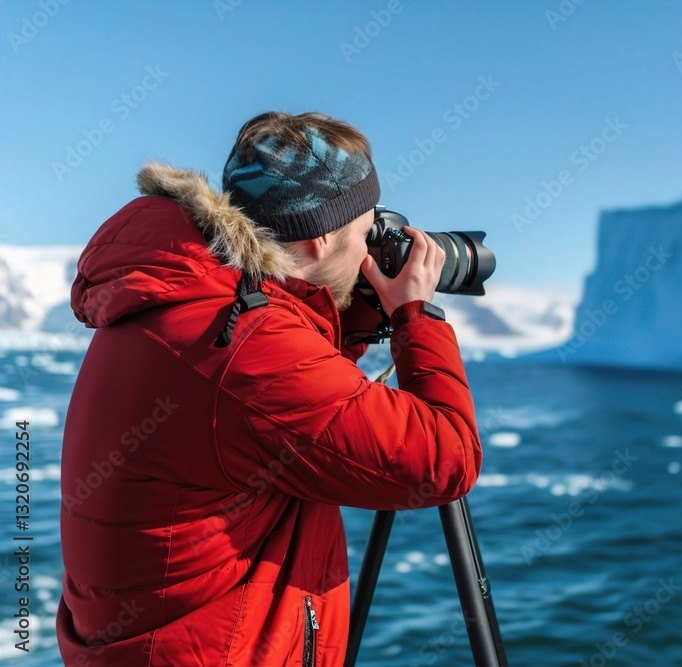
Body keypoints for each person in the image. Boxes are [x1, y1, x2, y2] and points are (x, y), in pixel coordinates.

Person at [57, 111, 483, 666]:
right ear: (320, 238)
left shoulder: (190, 298)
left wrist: (348, 316)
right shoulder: (246, 345)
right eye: (366, 233)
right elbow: (444, 459)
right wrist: (415, 317)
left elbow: (290, 408)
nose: (370, 252)